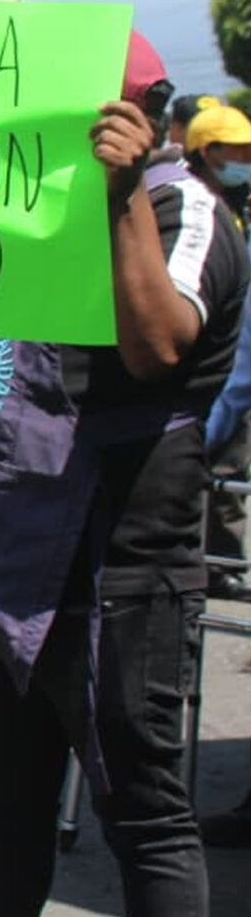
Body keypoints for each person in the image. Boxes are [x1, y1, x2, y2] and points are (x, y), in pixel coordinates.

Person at [0, 33, 245, 917]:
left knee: (144, 817)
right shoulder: (23, 204)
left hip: (116, 562)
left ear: (141, 116)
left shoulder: (184, 209)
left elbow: (158, 345)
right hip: (2, 544)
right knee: (5, 820)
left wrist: (120, 192)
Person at [192, 103, 251, 602]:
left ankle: (221, 564)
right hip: (216, 375)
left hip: (232, 374)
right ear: (208, 152)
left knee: (227, 474)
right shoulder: (193, 209)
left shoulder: (234, 207)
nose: (246, 161)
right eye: (239, 152)